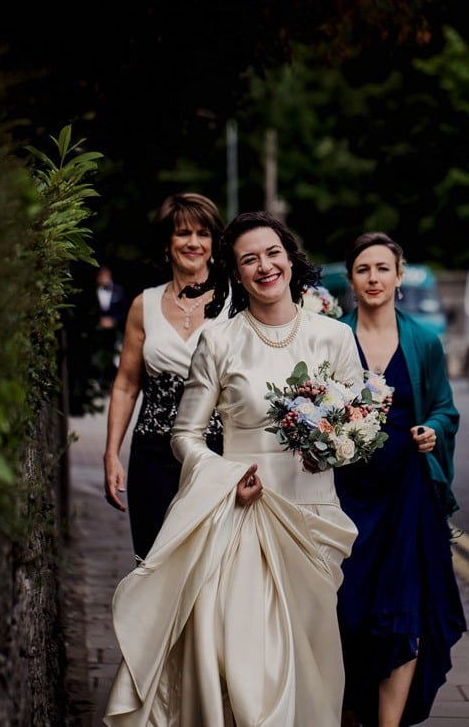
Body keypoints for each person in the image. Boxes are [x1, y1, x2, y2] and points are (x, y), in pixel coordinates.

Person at [104, 211, 364, 726]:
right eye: (249, 260)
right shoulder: (219, 341)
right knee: (247, 664)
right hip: (244, 513)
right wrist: (225, 479)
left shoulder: (334, 337)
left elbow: (357, 425)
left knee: (310, 662)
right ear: (236, 273)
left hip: (313, 518)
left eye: (272, 253)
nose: (264, 266)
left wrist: (337, 446)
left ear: (290, 257)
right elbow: (185, 435)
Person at [335, 232, 466, 727]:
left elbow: (445, 410)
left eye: (382, 268)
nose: (373, 278)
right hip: (346, 495)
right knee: (348, 612)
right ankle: (348, 714)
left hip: (407, 495)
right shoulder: (332, 337)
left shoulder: (424, 341)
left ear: (399, 274)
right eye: (364, 269)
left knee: (405, 612)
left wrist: (432, 431)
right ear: (352, 278)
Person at [102, 193, 229, 560]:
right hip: (153, 455)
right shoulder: (144, 304)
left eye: (203, 233)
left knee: (210, 569)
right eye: (183, 233)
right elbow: (126, 385)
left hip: (218, 455)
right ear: (167, 242)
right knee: (154, 563)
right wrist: (111, 454)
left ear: (213, 243)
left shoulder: (235, 303)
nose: (193, 243)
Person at [93, 264, 128, 389]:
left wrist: (113, 321)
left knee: (115, 356)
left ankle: (113, 381)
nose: (103, 279)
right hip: (98, 332)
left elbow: (124, 311)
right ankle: (99, 382)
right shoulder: (92, 292)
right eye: (101, 276)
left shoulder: (118, 291)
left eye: (105, 276)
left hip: (115, 331)